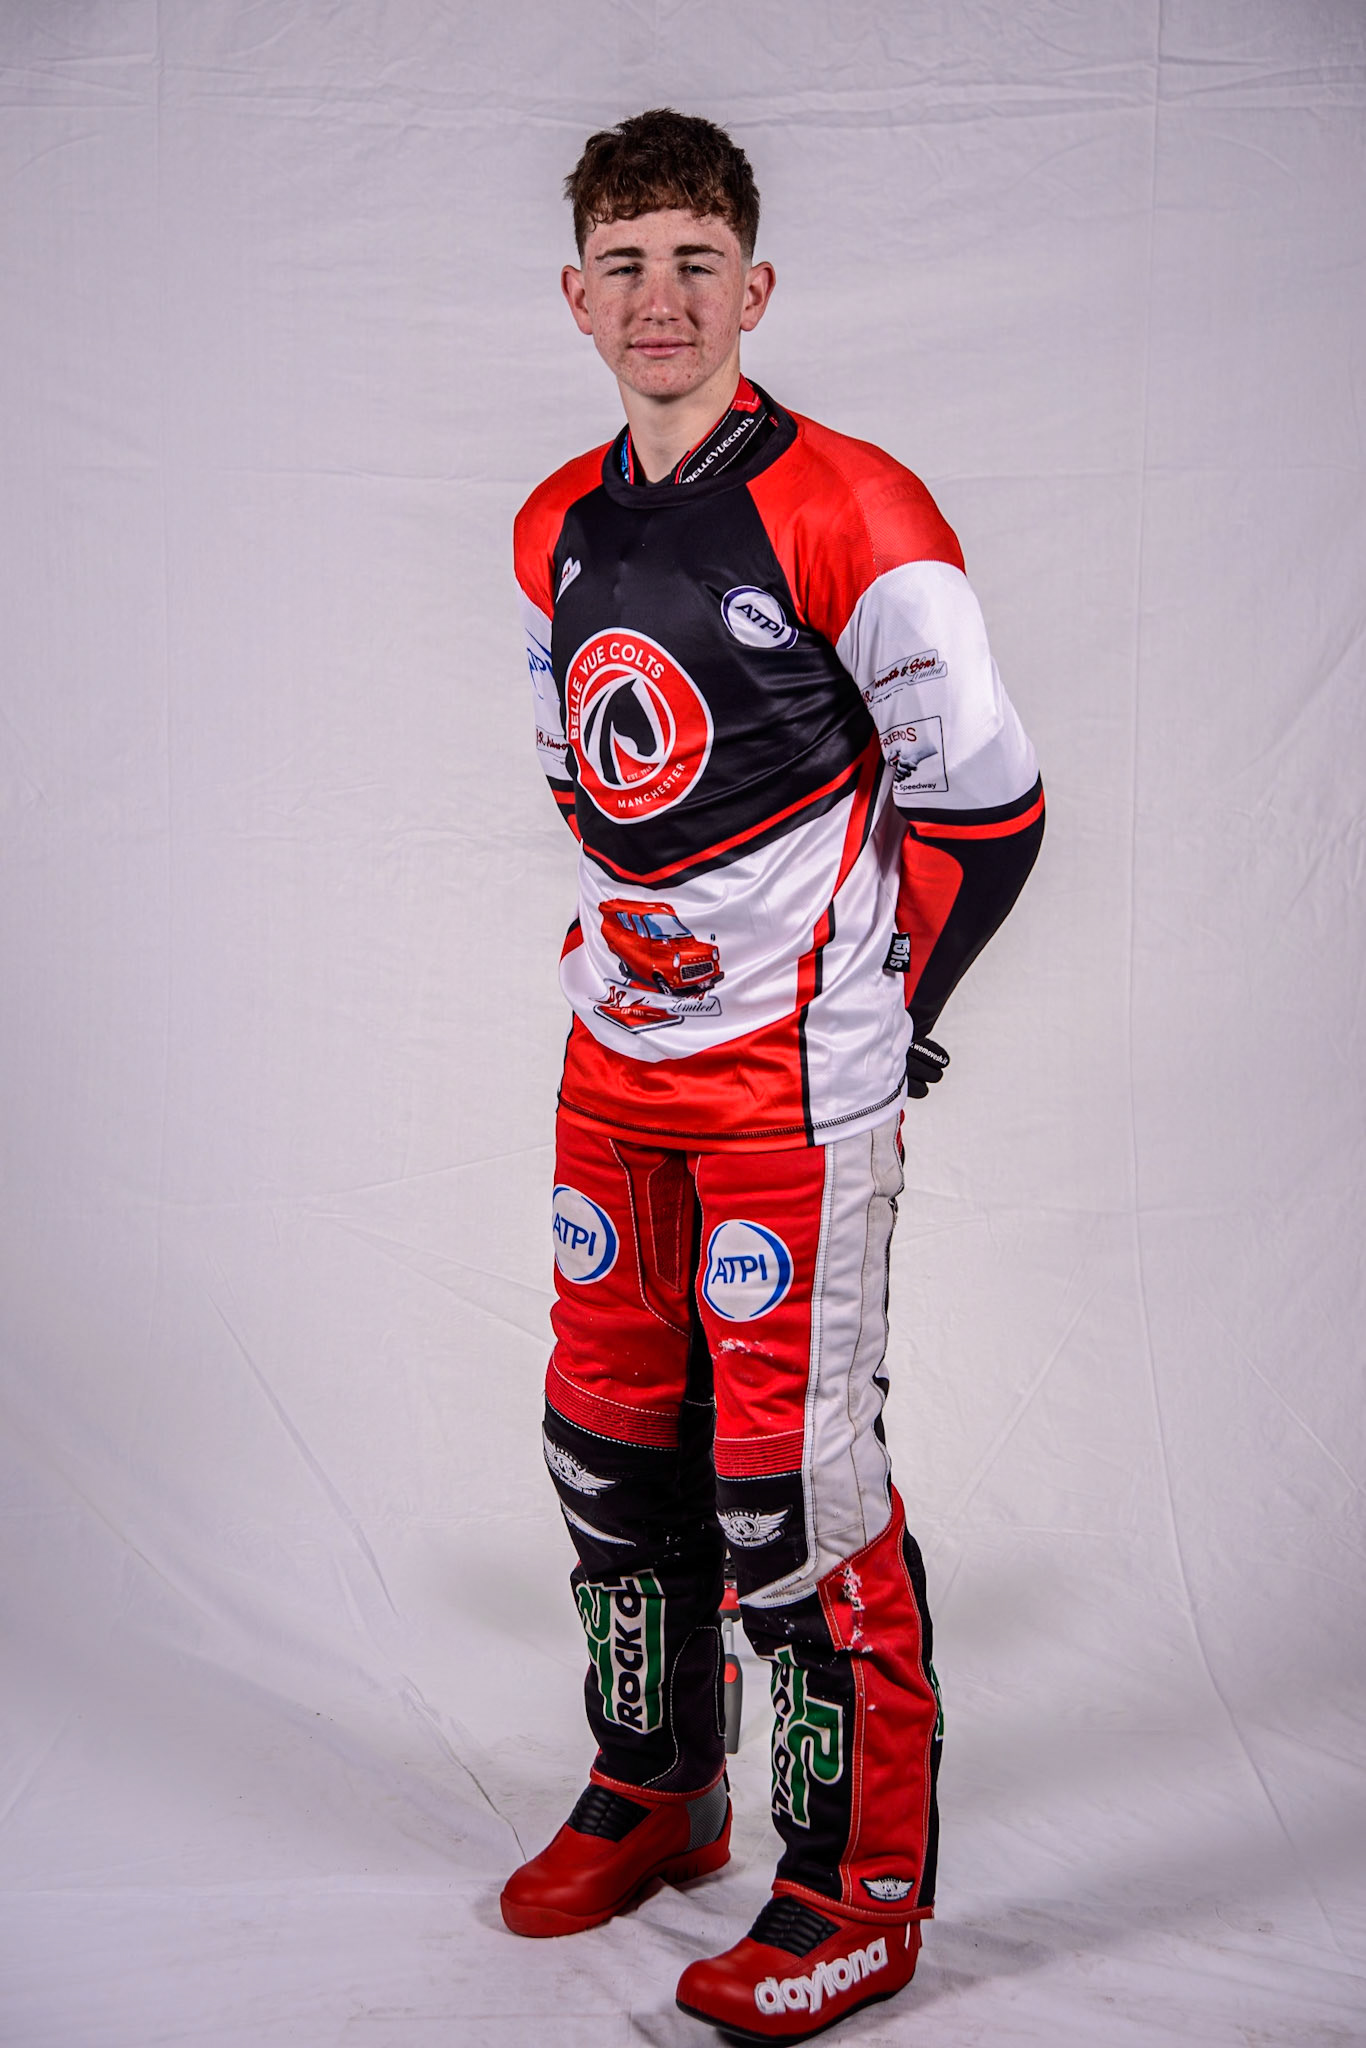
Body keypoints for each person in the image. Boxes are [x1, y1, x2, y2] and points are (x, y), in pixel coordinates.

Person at [500, 108, 1043, 2042]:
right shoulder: (552, 520)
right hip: (611, 1071)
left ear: (757, 286)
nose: (660, 297)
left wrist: (888, 1023)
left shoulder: (855, 511)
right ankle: (661, 1787)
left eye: (692, 260)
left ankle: (859, 1886)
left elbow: (990, 801)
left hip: (788, 1094)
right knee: (602, 1444)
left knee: (783, 1497)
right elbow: (614, 797)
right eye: (624, 263)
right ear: (576, 296)